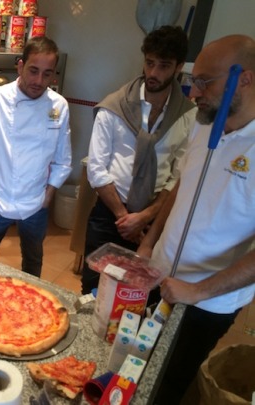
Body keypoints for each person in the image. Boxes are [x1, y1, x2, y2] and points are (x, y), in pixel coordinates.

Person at [137, 34, 255, 405]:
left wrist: (197, 291)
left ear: (245, 78)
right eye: (193, 80)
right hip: (159, 274)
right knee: (136, 358)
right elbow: (181, 187)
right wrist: (148, 244)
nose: (193, 92)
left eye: (205, 82)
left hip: (207, 301)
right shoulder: (204, 122)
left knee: (167, 381)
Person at [81, 25, 196, 294]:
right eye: (150, 63)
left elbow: (177, 177)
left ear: (179, 67)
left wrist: (145, 217)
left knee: (138, 292)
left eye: (164, 66)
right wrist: (126, 219)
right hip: (110, 214)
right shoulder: (114, 107)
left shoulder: (188, 116)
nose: (154, 73)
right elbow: (97, 169)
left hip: (154, 220)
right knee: (94, 286)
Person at [0, 36, 72, 278]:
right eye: (33, 71)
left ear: (54, 75)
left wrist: (48, 195)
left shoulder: (59, 106)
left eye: (47, 74)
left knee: (33, 261)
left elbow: (63, 159)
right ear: (20, 66)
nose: (39, 81)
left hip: (36, 202)